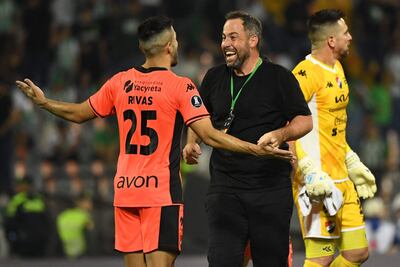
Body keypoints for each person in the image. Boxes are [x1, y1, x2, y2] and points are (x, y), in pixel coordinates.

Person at [15, 16, 294, 267]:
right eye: (175, 39)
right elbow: (210, 135)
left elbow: (78, 113)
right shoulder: (180, 86)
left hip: (125, 191)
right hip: (160, 194)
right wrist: (255, 150)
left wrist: (44, 102)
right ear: (169, 47)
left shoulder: (120, 82)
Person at [183, 11, 312, 267]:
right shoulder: (213, 78)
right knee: (222, 261)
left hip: (269, 190)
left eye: (233, 37)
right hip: (225, 189)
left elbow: (305, 121)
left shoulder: (279, 77)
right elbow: (198, 117)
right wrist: (191, 142)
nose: (225, 44)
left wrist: (280, 134)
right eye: (222, 38)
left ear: (253, 40)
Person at [291, 9, 377, 267]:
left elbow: (333, 127)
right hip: (317, 182)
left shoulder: (338, 68)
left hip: (342, 177)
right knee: (322, 258)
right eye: (345, 33)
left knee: (358, 252)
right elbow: (286, 127)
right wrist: (307, 171)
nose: (350, 37)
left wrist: (351, 160)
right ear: (331, 40)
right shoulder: (304, 74)